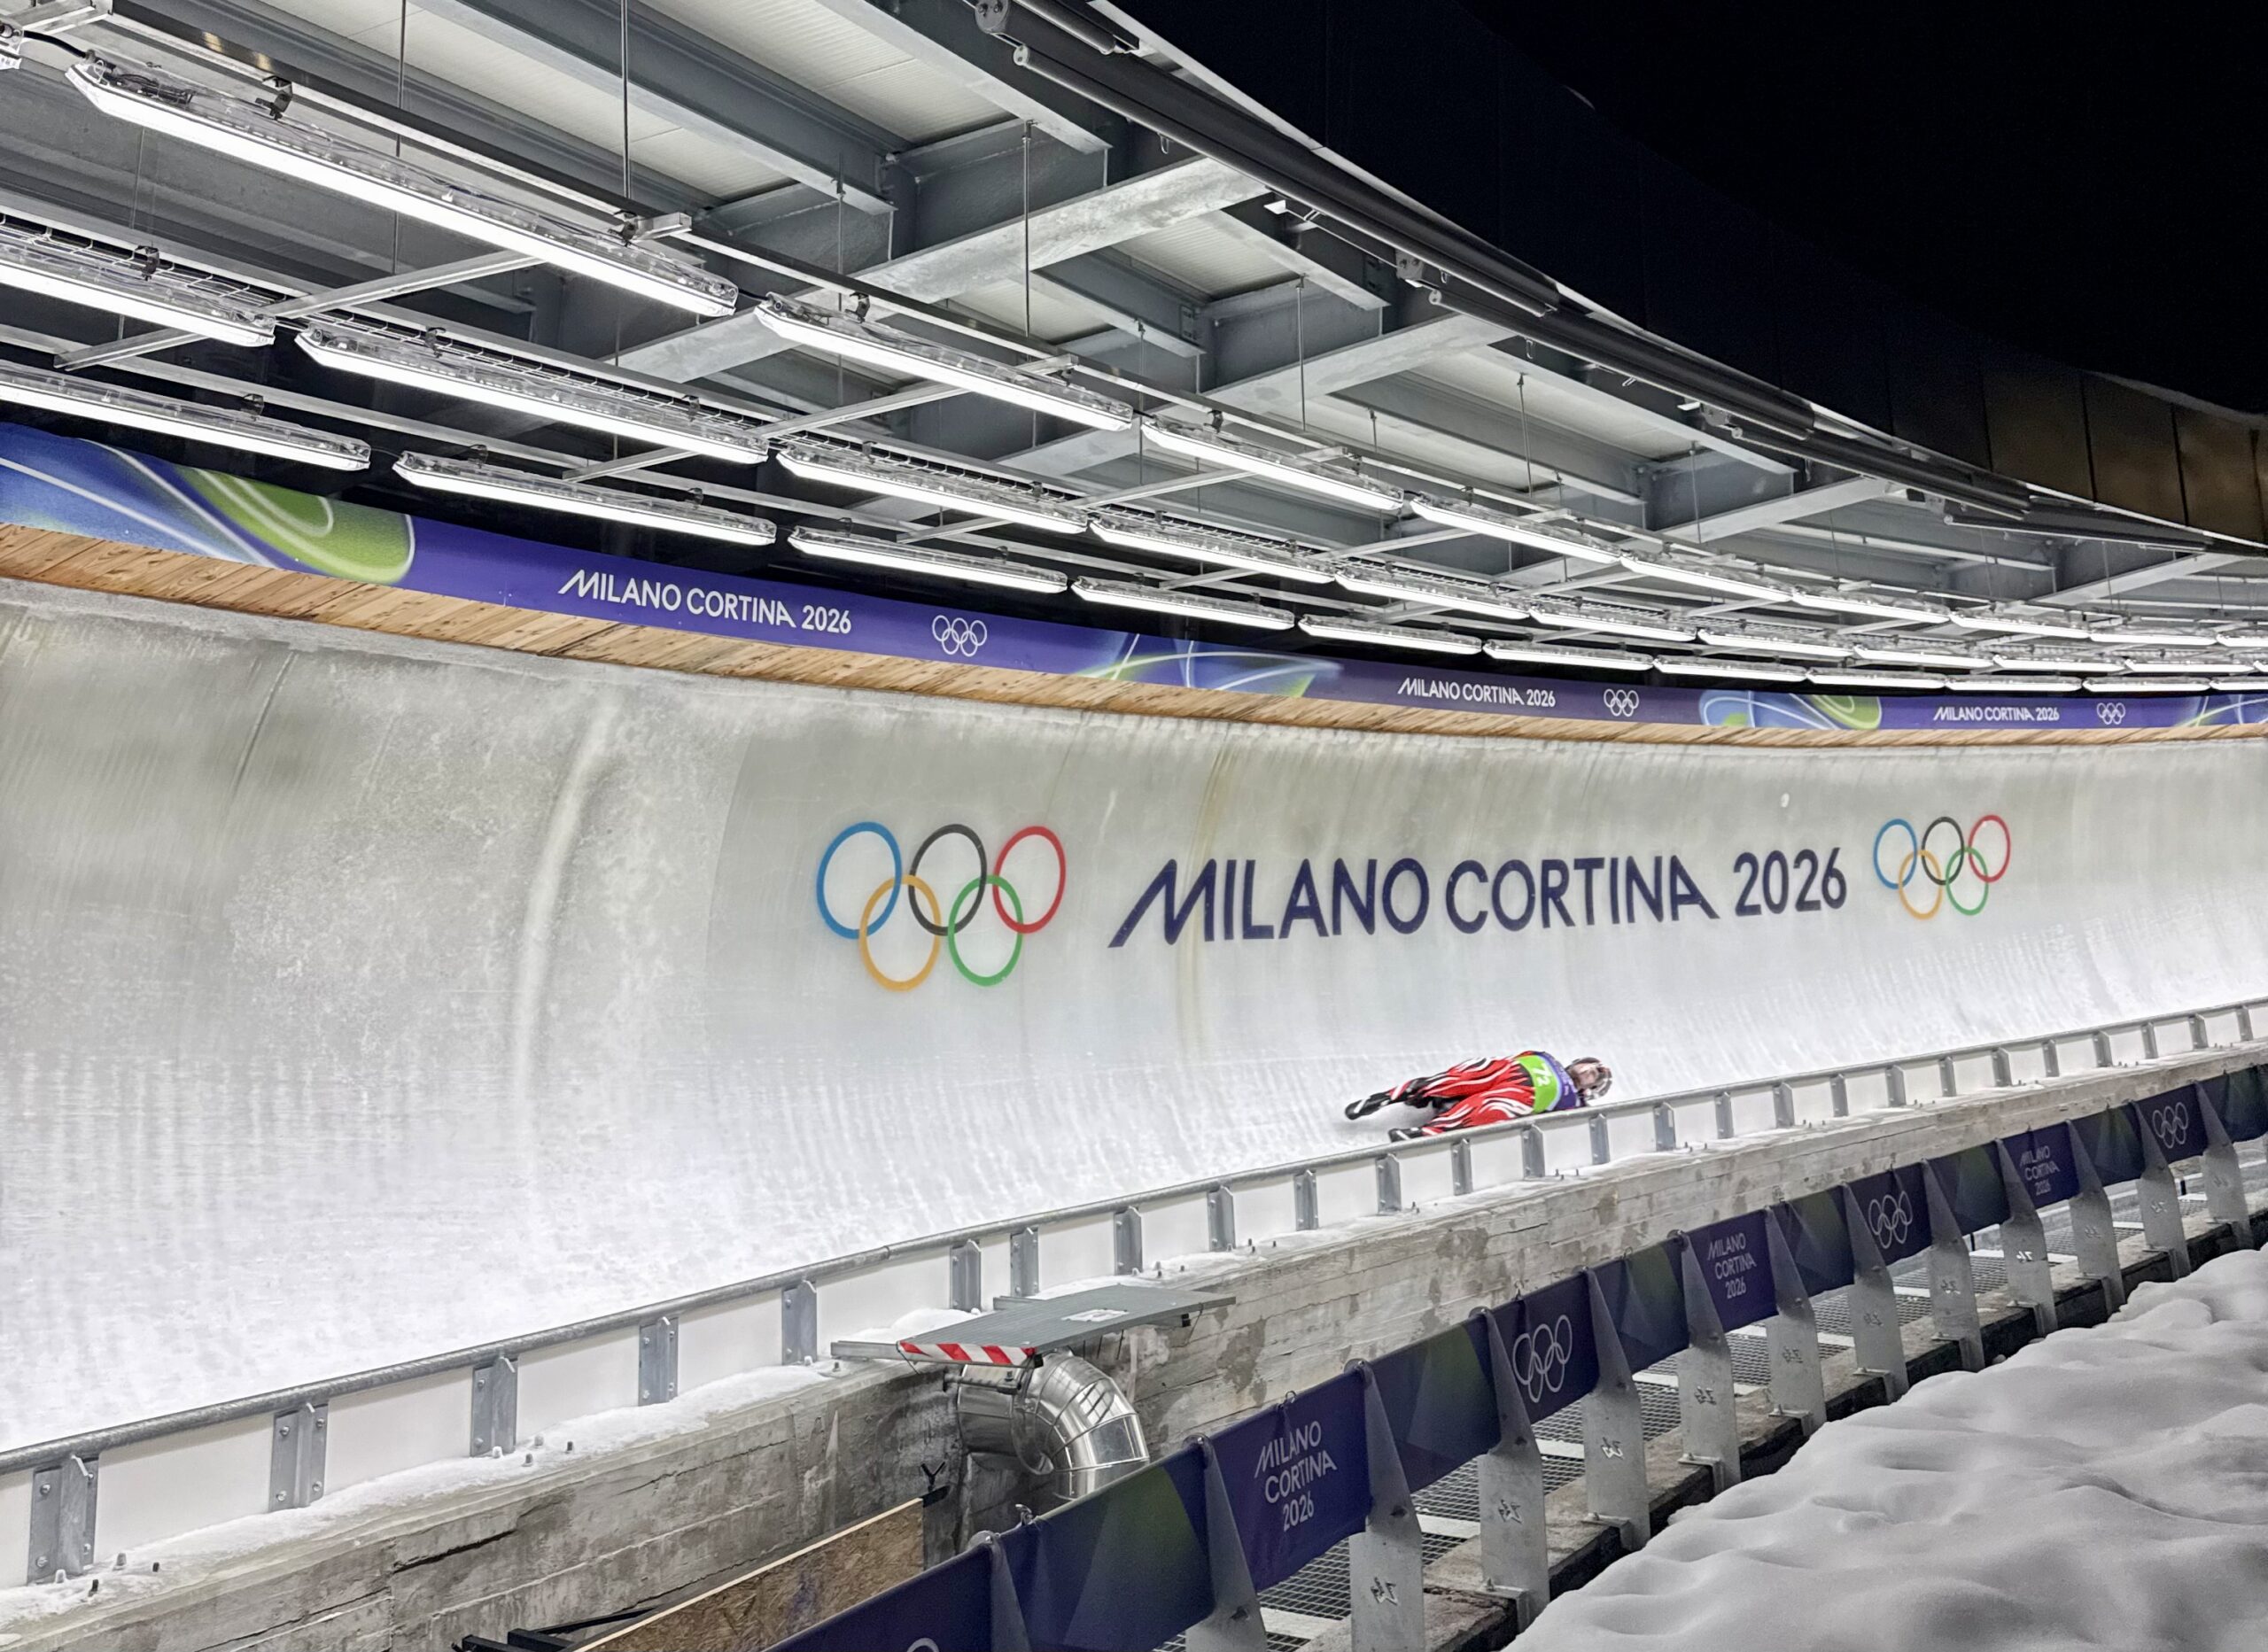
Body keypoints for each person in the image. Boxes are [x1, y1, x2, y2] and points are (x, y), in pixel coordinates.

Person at [1345, 1053, 1613, 1140]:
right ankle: (1394, 1096)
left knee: (1491, 1107)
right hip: (1504, 1071)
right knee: (1465, 1076)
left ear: (1590, 1089)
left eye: (1593, 1076)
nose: (1587, 1071)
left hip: (1521, 1096)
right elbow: (1511, 1059)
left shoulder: (1574, 1105)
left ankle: (1423, 1133)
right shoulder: (1545, 1055)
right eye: (1587, 1067)